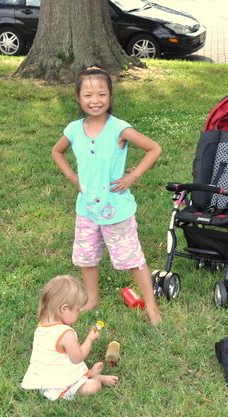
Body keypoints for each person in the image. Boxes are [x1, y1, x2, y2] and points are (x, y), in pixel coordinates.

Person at [52, 67, 162, 325]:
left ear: (110, 96)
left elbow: (154, 148)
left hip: (116, 210)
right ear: (78, 98)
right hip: (87, 210)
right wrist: (73, 177)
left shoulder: (119, 129)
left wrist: (131, 177)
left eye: (101, 94)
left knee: (132, 257)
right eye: (88, 95)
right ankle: (92, 300)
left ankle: (151, 307)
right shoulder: (73, 130)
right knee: (87, 256)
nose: (95, 100)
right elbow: (57, 151)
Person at [21, 275, 118, 401]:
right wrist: (89, 339)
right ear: (64, 309)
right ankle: (94, 378)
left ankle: (88, 373)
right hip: (61, 382)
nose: (79, 314)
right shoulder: (66, 334)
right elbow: (78, 358)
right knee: (93, 387)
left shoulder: (41, 327)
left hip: (44, 379)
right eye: (77, 310)